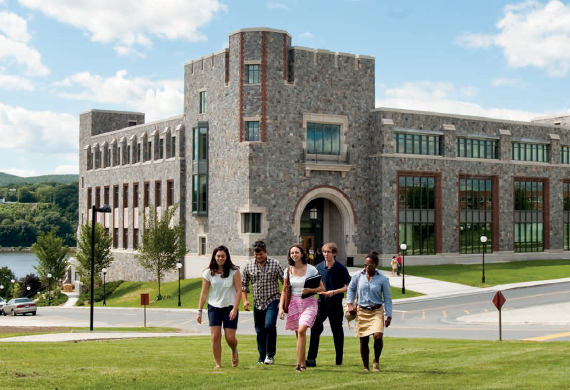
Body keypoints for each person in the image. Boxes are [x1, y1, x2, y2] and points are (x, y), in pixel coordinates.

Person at [279, 244, 324, 372]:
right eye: (292, 253)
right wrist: (281, 308)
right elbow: (284, 291)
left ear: (302, 254)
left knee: (302, 329)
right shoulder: (287, 271)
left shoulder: (311, 270)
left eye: (297, 252)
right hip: (294, 304)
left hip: (309, 303)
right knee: (299, 335)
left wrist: (310, 290)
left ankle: (299, 364)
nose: (294, 255)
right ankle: (302, 361)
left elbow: (322, 288)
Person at [306, 242, 351, 367]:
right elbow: (315, 284)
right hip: (321, 303)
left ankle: (339, 360)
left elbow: (348, 287)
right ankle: (311, 359)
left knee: (336, 330)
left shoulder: (341, 268)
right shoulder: (318, 267)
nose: (326, 254)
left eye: (328, 252)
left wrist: (334, 292)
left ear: (334, 254)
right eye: (324, 252)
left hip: (336, 303)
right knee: (315, 328)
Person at [197, 245, 242, 369]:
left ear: (227, 257)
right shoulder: (208, 273)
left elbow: (239, 291)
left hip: (230, 307)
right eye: (218, 256)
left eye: (223, 256)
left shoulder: (234, 271)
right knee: (215, 336)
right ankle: (218, 364)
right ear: (214, 257)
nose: (220, 258)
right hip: (214, 307)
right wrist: (199, 311)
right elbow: (204, 292)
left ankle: (234, 350)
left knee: (230, 337)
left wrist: (235, 308)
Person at [346, 251, 392, 372]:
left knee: (378, 336)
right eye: (365, 265)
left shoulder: (382, 279)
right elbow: (350, 289)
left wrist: (389, 315)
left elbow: (387, 297)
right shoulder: (358, 275)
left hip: (377, 310)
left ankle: (376, 361)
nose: (367, 267)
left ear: (376, 264)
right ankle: (365, 366)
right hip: (361, 311)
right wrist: (350, 304)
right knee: (364, 339)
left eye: (370, 265)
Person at [242, 240, 285, 365]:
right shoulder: (249, 266)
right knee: (259, 330)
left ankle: (270, 355)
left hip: (272, 300)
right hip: (257, 302)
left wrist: (283, 301)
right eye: (256, 255)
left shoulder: (275, 264)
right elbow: (244, 285)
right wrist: (245, 301)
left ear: (265, 252)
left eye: (260, 254)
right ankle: (262, 356)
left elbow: (285, 282)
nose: (258, 257)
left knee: (269, 326)